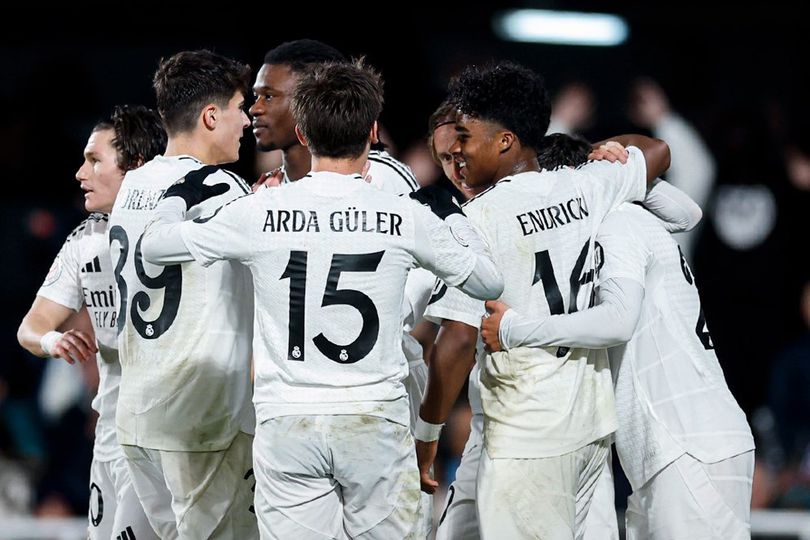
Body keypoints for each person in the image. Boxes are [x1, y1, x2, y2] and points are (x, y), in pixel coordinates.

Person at [140, 59, 503, 539]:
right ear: (372, 132)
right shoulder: (404, 214)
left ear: (303, 134)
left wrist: (179, 195)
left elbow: (153, 246)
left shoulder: (260, 209)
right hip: (374, 418)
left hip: (289, 421)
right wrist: (452, 216)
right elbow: (488, 283)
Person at [415, 61, 672, 539]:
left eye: (466, 137)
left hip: (526, 431)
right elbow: (657, 150)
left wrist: (427, 436)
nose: (459, 152)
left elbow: (457, 340)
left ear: (505, 141)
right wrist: (602, 151)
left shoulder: (477, 220)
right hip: (589, 424)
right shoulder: (585, 184)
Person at [482, 196, 754, 538]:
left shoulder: (619, 224)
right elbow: (689, 213)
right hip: (676, 447)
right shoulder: (631, 219)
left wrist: (514, 329)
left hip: (687, 442)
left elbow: (618, 319)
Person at [107, 50, 257, 539]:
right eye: (240, 108)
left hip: (138, 413)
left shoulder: (133, 184)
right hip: (200, 419)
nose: (247, 121)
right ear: (211, 116)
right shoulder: (219, 187)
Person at [17, 105, 166, 540]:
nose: (80, 173)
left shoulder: (184, 229)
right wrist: (52, 341)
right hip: (111, 434)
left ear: (136, 165)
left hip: (173, 436)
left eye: (94, 160)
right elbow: (31, 327)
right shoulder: (85, 240)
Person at [250, 39, 418, 195]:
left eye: (269, 96)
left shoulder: (385, 178)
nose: (254, 109)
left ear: (313, 97)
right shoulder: (267, 192)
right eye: (256, 96)